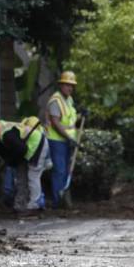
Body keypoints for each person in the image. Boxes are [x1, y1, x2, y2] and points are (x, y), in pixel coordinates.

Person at [0, 117, 48, 214]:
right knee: (21, 178)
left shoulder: (6, 135)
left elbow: (21, 149)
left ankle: (35, 205)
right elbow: (3, 152)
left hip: (36, 144)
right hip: (24, 148)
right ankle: (20, 205)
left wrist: (11, 161)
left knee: (33, 176)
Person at [45, 71, 80, 207]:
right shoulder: (55, 101)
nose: (70, 88)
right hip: (56, 140)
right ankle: (57, 202)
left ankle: (63, 199)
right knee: (59, 170)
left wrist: (81, 115)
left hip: (67, 140)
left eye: (72, 85)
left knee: (66, 170)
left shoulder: (69, 99)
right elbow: (56, 122)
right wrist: (68, 137)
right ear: (61, 85)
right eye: (67, 85)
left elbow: (70, 121)